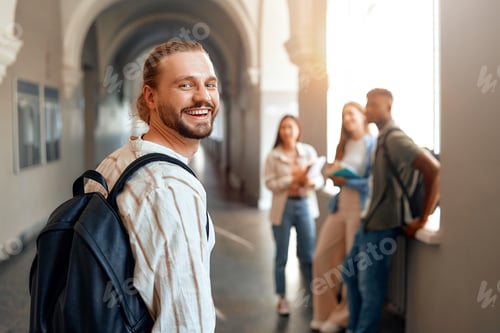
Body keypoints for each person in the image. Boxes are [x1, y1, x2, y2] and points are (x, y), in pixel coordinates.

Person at [87, 40, 218, 332]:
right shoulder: (170, 189)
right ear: (151, 97)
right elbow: (188, 324)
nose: (203, 97)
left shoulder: (115, 162)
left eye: (210, 84)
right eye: (185, 85)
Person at [342, 88, 440, 333]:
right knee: (350, 274)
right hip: (369, 222)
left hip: (382, 227)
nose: (368, 108)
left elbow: (434, 170)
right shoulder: (381, 138)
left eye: (374, 104)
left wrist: (423, 218)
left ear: (389, 106)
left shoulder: (395, 138)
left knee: (370, 290)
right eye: (367, 103)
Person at [311, 102, 376, 333]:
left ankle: (342, 318)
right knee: (321, 255)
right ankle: (323, 314)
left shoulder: (372, 144)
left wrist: (348, 180)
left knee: (352, 264)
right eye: (344, 115)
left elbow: (372, 181)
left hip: (360, 206)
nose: (347, 118)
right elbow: (339, 177)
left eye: (351, 113)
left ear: (362, 116)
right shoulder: (345, 144)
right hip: (341, 204)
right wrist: (334, 174)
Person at [263, 115, 325, 316]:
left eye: (290, 127)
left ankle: (314, 294)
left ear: (298, 129)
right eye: (283, 128)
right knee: (281, 256)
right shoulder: (273, 156)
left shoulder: (308, 152)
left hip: (305, 205)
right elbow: (269, 183)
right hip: (283, 208)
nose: (287, 131)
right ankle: (282, 298)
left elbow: (320, 180)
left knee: (307, 254)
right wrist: (291, 179)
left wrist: (311, 183)